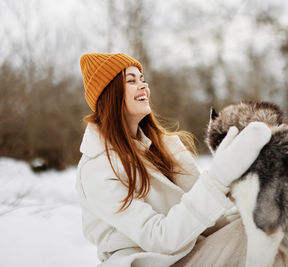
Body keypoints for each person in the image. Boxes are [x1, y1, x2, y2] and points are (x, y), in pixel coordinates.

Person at [76, 52, 272, 267]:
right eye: (131, 81)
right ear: (109, 95)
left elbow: (208, 219)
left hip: (191, 250)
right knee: (259, 235)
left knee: (269, 223)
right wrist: (217, 179)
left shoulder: (165, 147)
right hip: (148, 262)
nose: (143, 86)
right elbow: (159, 239)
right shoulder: (98, 168)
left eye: (142, 79)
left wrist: (250, 193)